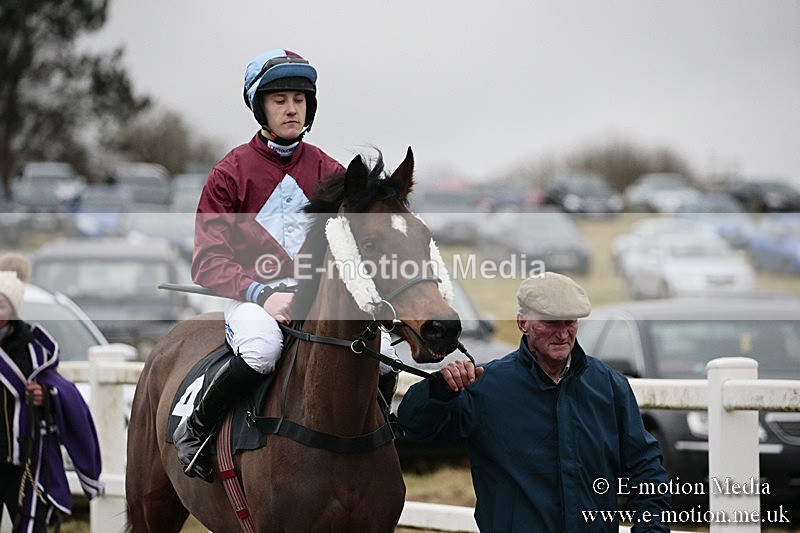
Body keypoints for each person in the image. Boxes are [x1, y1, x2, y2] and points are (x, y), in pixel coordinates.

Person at [174, 48, 399, 482]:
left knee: (385, 355)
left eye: (299, 99)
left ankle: (381, 430)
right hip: (254, 296)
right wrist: (263, 294)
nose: (292, 109)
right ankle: (197, 429)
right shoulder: (229, 173)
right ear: (260, 107)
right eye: (280, 100)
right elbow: (207, 261)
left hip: (319, 295)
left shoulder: (330, 170)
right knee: (261, 350)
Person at [397, 272, 671, 532]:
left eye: (570, 322)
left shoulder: (609, 386)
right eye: (551, 323)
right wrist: (439, 391)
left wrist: (652, 529)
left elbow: (646, 468)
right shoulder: (485, 387)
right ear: (522, 323)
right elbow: (415, 426)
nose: (562, 334)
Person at [0, 253, 102, 532]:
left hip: (26, 461)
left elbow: (62, 392)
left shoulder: (34, 349)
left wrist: (46, 396)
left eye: (2, 305)